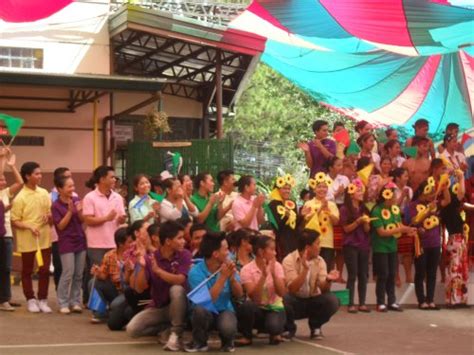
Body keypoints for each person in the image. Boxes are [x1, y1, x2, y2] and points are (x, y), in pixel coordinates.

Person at [127, 221, 191, 351]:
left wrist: (159, 272)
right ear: (168, 241)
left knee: (176, 290)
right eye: (179, 238)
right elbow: (139, 288)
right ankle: (166, 329)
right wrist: (142, 267)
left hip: (181, 306)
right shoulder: (151, 258)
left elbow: (180, 280)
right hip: (160, 307)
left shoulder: (185, 255)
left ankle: (175, 334)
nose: (184, 241)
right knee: (132, 330)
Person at [186, 232, 243, 353]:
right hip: (205, 312)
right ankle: (200, 343)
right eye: (226, 249)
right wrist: (222, 278)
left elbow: (239, 295)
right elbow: (205, 302)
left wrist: (232, 278)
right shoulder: (195, 272)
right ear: (215, 254)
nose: (229, 252)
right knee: (199, 310)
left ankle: (227, 342)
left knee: (228, 327)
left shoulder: (228, 266)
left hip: (224, 309)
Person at [11, 162, 53, 313]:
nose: (40, 176)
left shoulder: (44, 193)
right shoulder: (20, 198)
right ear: (27, 176)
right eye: (37, 174)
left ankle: (43, 299)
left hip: (44, 238)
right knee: (27, 270)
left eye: (41, 173)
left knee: (44, 270)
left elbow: (50, 215)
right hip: (27, 239)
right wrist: (29, 226)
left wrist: (49, 216)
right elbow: (15, 221)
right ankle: (30, 299)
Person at [283, 229, 340, 339]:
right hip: (295, 301)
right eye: (317, 244)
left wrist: (328, 280)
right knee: (284, 299)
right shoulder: (289, 260)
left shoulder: (320, 260)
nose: (320, 247)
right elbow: (292, 289)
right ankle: (288, 328)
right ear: (307, 247)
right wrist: (304, 270)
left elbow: (324, 290)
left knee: (332, 300)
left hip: (312, 300)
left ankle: (316, 327)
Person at [82, 166, 126, 303]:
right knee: (97, 275)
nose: (114, 179)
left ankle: (110, 303)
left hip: (114, 243)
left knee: (113, 275)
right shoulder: (90, 197)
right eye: (111, 177)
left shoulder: (117, 197)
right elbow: (88, 220)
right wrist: (106, 218)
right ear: (102, 179)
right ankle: (95, 305)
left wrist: (121, 219)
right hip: (97, 243)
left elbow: (121, 217)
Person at [370, 183, 417, 312]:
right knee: (383, 274)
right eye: (393, 196)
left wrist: (409, 229)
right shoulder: (376, 210)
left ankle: (392, 301)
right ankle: (380, 302)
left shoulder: (394, 210)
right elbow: (381, 232)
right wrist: (401, 228)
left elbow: (399, 226)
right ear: (386, 196)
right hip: (380, 247)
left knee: (392, 274)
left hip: (392, 247)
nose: (396, 198)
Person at [406, 179, 449, 310]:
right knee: (420, 272)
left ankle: (430, 300)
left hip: (435, 242)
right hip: (422, 244)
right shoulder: (413, 205)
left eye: (433, 192)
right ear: (422, 192)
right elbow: (414, 221)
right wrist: (428, 212)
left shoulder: (434, 204)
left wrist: (445, 186)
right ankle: (421, 300)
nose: (432, 195)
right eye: (429, 192)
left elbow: (447, 201)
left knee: (432, 273)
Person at [238, 235, 287, 345]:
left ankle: (275, 332)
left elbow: (282, 293)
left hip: (274, 307)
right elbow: (254, 298)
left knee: (273, 326)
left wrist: (274, 275)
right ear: (261, 251)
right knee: (247, 306)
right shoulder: (246, 270)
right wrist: (263, 276)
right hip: (257, 309)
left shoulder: (277, 266)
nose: (275, 253)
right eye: (272, 249)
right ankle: (247, 336)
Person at [52, 176, 87, 314]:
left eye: (73, 186)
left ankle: (75, 302)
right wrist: (70, 212)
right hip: (66, 241)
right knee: (68, 272)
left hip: (80, 239)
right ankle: (63, 303)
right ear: (60, 189)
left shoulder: (76, 200)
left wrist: (80, 210)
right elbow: (60, 226)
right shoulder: (55, 205)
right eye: (69, 186)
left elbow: (83, 220)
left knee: (79, 274)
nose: (72, 189)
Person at [90, 227, 134, 323]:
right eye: (129, 242)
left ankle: (109, 311)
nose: (132, 245)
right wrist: (97, 272)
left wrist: (123, 276)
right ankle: (99, 312)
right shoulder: (109, 255)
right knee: (93, 282)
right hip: (114, 290)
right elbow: (104, 276)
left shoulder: (135, 255)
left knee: (116, 306)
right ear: (121, 244)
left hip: (128, 292)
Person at [340, 179, 371, 313]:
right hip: (351, 244)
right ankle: (350, 303)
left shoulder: (365, 208)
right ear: (351, 193)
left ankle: (362, 303)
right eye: (358, 190)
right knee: (352, 275)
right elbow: (346, 229)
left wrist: (365, 222)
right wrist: (358, 221)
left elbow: (367, 229)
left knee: (363, 274)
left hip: (364, 244)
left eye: (361, 190)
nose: (361, 192)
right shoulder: (344, 209)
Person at [440, 169, 468, 306]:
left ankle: (459, 298)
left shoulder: (449, 207)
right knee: (455, 270)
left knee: (459, 269)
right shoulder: (447, 206)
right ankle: (453, 299)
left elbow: (460, 193)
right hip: (454, 239)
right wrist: (461, 176)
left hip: (459, 240)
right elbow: (460, 193)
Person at [302, 172, 340, 270]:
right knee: (311, 270)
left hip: (327, 242)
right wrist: (320, 209)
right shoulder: (308, 203)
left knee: (324, 271)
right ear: (314, 189)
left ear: (327, 189)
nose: (322, 189)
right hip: (312, 242)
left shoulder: (332, 204)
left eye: (324, 187)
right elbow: (307, 220)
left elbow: (336, 222)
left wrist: (328, 211)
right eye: (319, 187)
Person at [0, 149, 23, 311]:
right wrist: (1, 157)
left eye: (3, 179)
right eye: (0, 179)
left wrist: (12, 166)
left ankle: (4, 299)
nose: (3, 181)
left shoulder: (6, 192)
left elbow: (20, 182)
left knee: (6, 268)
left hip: (6, 234)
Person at [50, 167, 75, 290]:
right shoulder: (50, 196)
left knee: (73, 269)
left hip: (72, 236)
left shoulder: (74, 195)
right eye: (67, 176)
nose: (70, 179)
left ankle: (70, 296)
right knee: (59, 266)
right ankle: (60, 293)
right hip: (56, 236)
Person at [325, 157, 349, 282]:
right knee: (329, 245)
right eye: (338, 165)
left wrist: (338, 194)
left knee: (340, 246)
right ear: (330, 167)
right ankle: (329, 272)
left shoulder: (344, 179)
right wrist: (336, 194)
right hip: (328, 210)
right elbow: (324, 198)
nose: (341, 167)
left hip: (341, 208)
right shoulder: (323, 178)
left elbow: (348, 195)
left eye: (341, 165)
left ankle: (339, 274)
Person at [391, 167, 414, 286]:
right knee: (394, 250)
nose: (407, 178)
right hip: (393, 220)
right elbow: (393, 207)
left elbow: (410, 206)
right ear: (398, 178)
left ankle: (409, 276)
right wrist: (402, 197)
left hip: (405, 219)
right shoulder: (391, 189)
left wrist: (408, 197)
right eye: (405, 176)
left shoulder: (409, 189)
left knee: (407, 250)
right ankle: (396, 276)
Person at [268, 173, 299, 259]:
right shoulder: (272, 205)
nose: (287, 191)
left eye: (289, 188)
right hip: (281, 241)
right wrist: (286, 216)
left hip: (293, 239)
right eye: (284, 188)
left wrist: (302, 215)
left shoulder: (292, 203)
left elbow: (296, 224)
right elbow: (275, 226)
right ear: (278, 189)